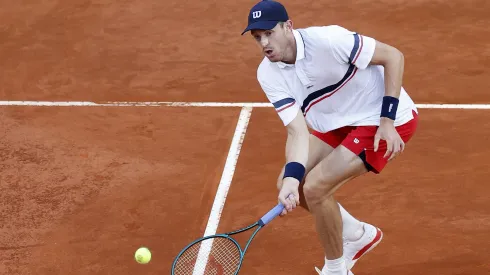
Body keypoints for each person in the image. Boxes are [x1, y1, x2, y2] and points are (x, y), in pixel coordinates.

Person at [241, 1, 419, 275]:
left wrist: (387, 119)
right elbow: (297, 131)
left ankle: (336, 269)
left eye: (269, 32)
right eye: (257, 37)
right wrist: (290, 179)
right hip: (338, 122)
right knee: (293, 184)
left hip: (379, 119)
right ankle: (358, 235)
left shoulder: (327, 40)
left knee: (315, 188)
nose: (264, 42)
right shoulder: (267, 73)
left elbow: (393, 56)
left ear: (288, 26)